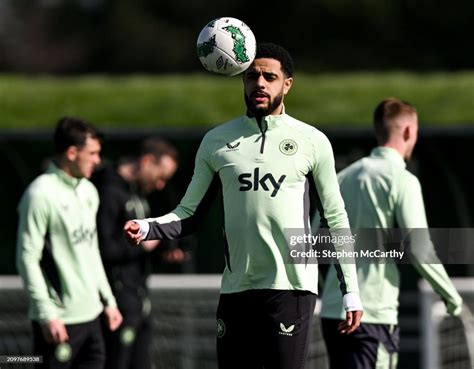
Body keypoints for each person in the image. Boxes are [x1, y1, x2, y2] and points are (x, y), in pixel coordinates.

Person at [124, 42, 363, 369]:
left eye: (270, 76)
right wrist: (148, 226)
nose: (260, 84)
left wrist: (350, 290)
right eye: (252, 76)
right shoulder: (217, 141)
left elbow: (336, 218)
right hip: (237, 291)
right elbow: (189, 214)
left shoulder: (312, 141)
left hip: (290, 290)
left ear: (287, 84)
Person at [317, 98, 463, 369]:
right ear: (408, 131)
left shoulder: (343, 177)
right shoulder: (402, 179)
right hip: (371, 315)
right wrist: (452, 298)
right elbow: (419, 247)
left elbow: (314, 241)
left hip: (333, 313)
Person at [16, 117, 123, 368]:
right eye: (93, 153)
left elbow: (91, 250)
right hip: (59, 321)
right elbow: (27, 257)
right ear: (72, 153)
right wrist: (47, 314)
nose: (98, 161)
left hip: (93, 316)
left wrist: (108, 301)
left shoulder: (88, 191)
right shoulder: (39, 194)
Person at [92, 137, 179, 369]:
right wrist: (142, 243)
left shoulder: (137, 195)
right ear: (147, 161)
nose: (161, 184)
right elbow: (102, 250)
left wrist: (164, 250)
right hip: (117, 303)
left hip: (139, 301)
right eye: (160, 176)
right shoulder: (109, 192)